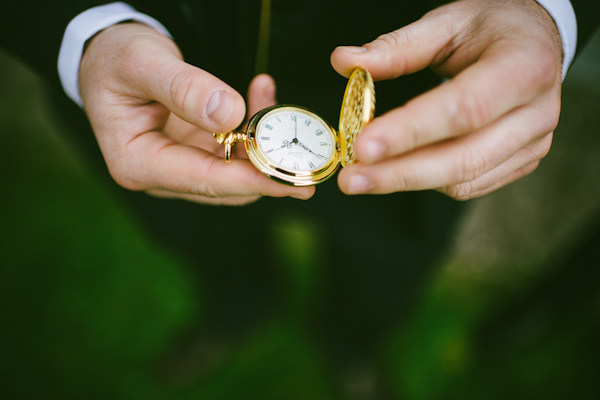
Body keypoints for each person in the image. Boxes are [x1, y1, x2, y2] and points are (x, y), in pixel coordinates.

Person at [1, 0, 597, 394]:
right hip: (159, 76)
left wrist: (547, 15)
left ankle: (353, 346)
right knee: (197, 231)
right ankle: (235, 309)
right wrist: (82, 28)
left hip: (412, 102)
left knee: (385, 263)